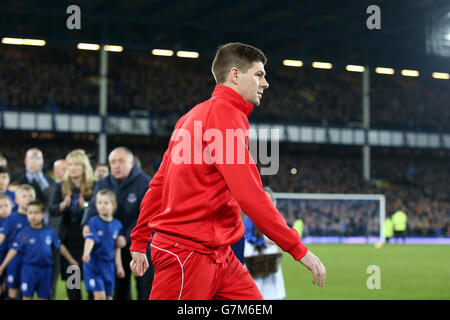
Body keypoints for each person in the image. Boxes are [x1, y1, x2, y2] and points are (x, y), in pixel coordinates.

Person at [129, 42, 326, 300]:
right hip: (187, 254)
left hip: (218, 254)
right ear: (235, 75)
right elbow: (250, 195)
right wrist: (297, 248)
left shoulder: (190, 117)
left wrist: (140, 236)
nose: (265, 83)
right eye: (259, 74)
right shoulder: (226, 116)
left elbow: (158, 184)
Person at [81, 147, 152, 300]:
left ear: (132, 163)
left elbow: (146, 216)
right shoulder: (103, 183)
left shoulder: (145, 183)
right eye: (113, 162)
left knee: (145, 289)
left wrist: (126, 236)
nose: (116, 165)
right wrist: (86, 223)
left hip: (140, 245)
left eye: (121, 161)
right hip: (112, 246)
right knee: (119, 289)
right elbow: (93, 205)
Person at [0, 200, 79, 300]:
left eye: (36, 213)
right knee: (27, 296)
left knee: (44, 296)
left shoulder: (49, 231)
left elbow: (59, 246)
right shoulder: (24, 232)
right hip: (29, 270)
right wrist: (2, 266)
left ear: (43, 214)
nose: (33, 216)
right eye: (30, 213)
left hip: (45, 270)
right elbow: (14, 250)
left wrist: (71, 260)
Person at [49, 149, 95, 300]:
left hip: (89, 239)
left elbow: (97, 208)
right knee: (73, 284)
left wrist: (85, 205)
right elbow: (53, 210)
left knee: (91, 283)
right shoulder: (62, 186)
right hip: (69, 241)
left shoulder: (94, 185)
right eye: (70, 164)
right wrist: (63, 205)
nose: (73, 168)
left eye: (77, 164)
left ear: (84, 166)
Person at [243, 187, 286, 300]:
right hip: (254, 256)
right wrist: (265, 241)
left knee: (272, 288)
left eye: (269, 199)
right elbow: (247, 236)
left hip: (270, 255)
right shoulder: (250, 217)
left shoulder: (276, 218)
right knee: (256, 289)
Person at [82, 190, 126, 300]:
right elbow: (90, 239)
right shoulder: (93, 222)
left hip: (109, 266)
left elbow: (116, 248)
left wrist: (119, 267)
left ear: (113, 205)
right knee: (100, 297)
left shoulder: (117, 225)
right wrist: (86, 253)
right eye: (99, 202)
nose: (102, 206)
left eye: (106, 203)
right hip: (94, 265)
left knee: (108, 297)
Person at [0, 184, 36, 299]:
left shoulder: (37, 218)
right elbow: (2, 236)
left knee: (28, 291)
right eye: (24, 196)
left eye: (31, 196)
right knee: (12, 289)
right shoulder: (11, 218)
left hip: (31, 260)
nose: (28, 199)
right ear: (16, 200)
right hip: (14, 259)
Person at [11, 148, 56, 230]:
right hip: (21, 221)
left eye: (38, 158)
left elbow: (52, 200)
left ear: (42, 161)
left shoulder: (50, 181)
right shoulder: (15, 178)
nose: (35, 161)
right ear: (25, 161)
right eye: (32, 157)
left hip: (45, 221)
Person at [0, 195, 13, 299]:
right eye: (0, 206)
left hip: (12, 259)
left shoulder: (15, 220)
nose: (4, 209)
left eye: (6, 206)